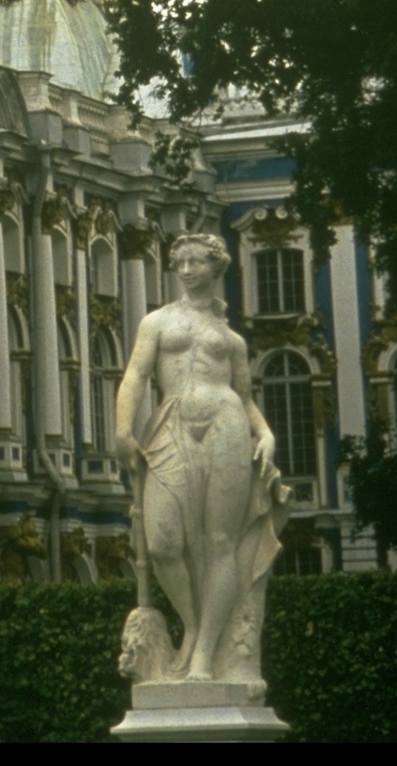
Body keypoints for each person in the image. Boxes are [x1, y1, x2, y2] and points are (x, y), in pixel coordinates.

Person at [114, 232, 291, 683]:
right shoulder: (156, 323)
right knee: (163, 544)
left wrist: (266, 433)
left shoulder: (231, 339)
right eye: (182, 262)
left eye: (197, 262)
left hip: (226, 426)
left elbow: (246, 398)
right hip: (170, 426)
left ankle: (203, 656)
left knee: (219, 544)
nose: (188, 269)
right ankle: (192, 626)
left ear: (216, 268)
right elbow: (134, 375)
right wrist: (121, 430)